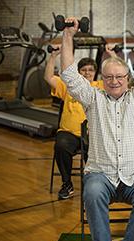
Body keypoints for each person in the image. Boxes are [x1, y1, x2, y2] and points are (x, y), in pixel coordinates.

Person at [59, 16, 134, 241]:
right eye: (108, 77)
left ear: (127, 79)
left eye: (119, 77)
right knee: (92, 191)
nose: (114, 81)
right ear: (102, 79)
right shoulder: (93, 99)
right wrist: (68, 35)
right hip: (101, 173)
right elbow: (68, 73)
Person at [44, 47, 103, 200]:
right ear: (78, 73)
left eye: (91, 70)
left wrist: (112, 55)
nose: (87, 72)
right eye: (83, 70)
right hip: (69, 133)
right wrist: (53, 56)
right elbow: (49, 77)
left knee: (101, 151)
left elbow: (123, 78)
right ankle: (67, 184)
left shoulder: (101, 87)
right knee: (61, 145)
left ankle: (96, 187)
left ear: (95, 73)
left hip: (93, 134)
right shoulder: (69, 87)